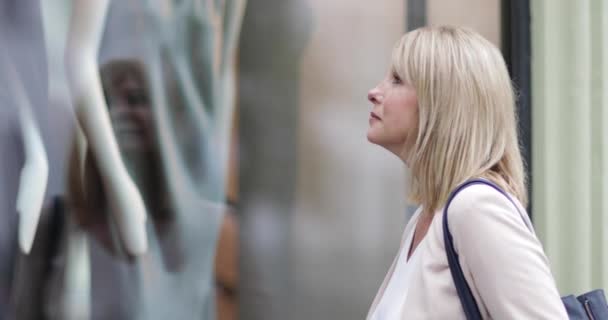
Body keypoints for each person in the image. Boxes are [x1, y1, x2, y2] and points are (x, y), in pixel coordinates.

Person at [10, 59, 238, 320]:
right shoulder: (56, 226)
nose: (121, 113)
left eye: (136, 99)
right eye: (106, 103)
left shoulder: (208, 227)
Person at [365, 26, 568, 319]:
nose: (375, 92)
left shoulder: (476, 208)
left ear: (442, 103)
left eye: (397, 80)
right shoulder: (425, 219)